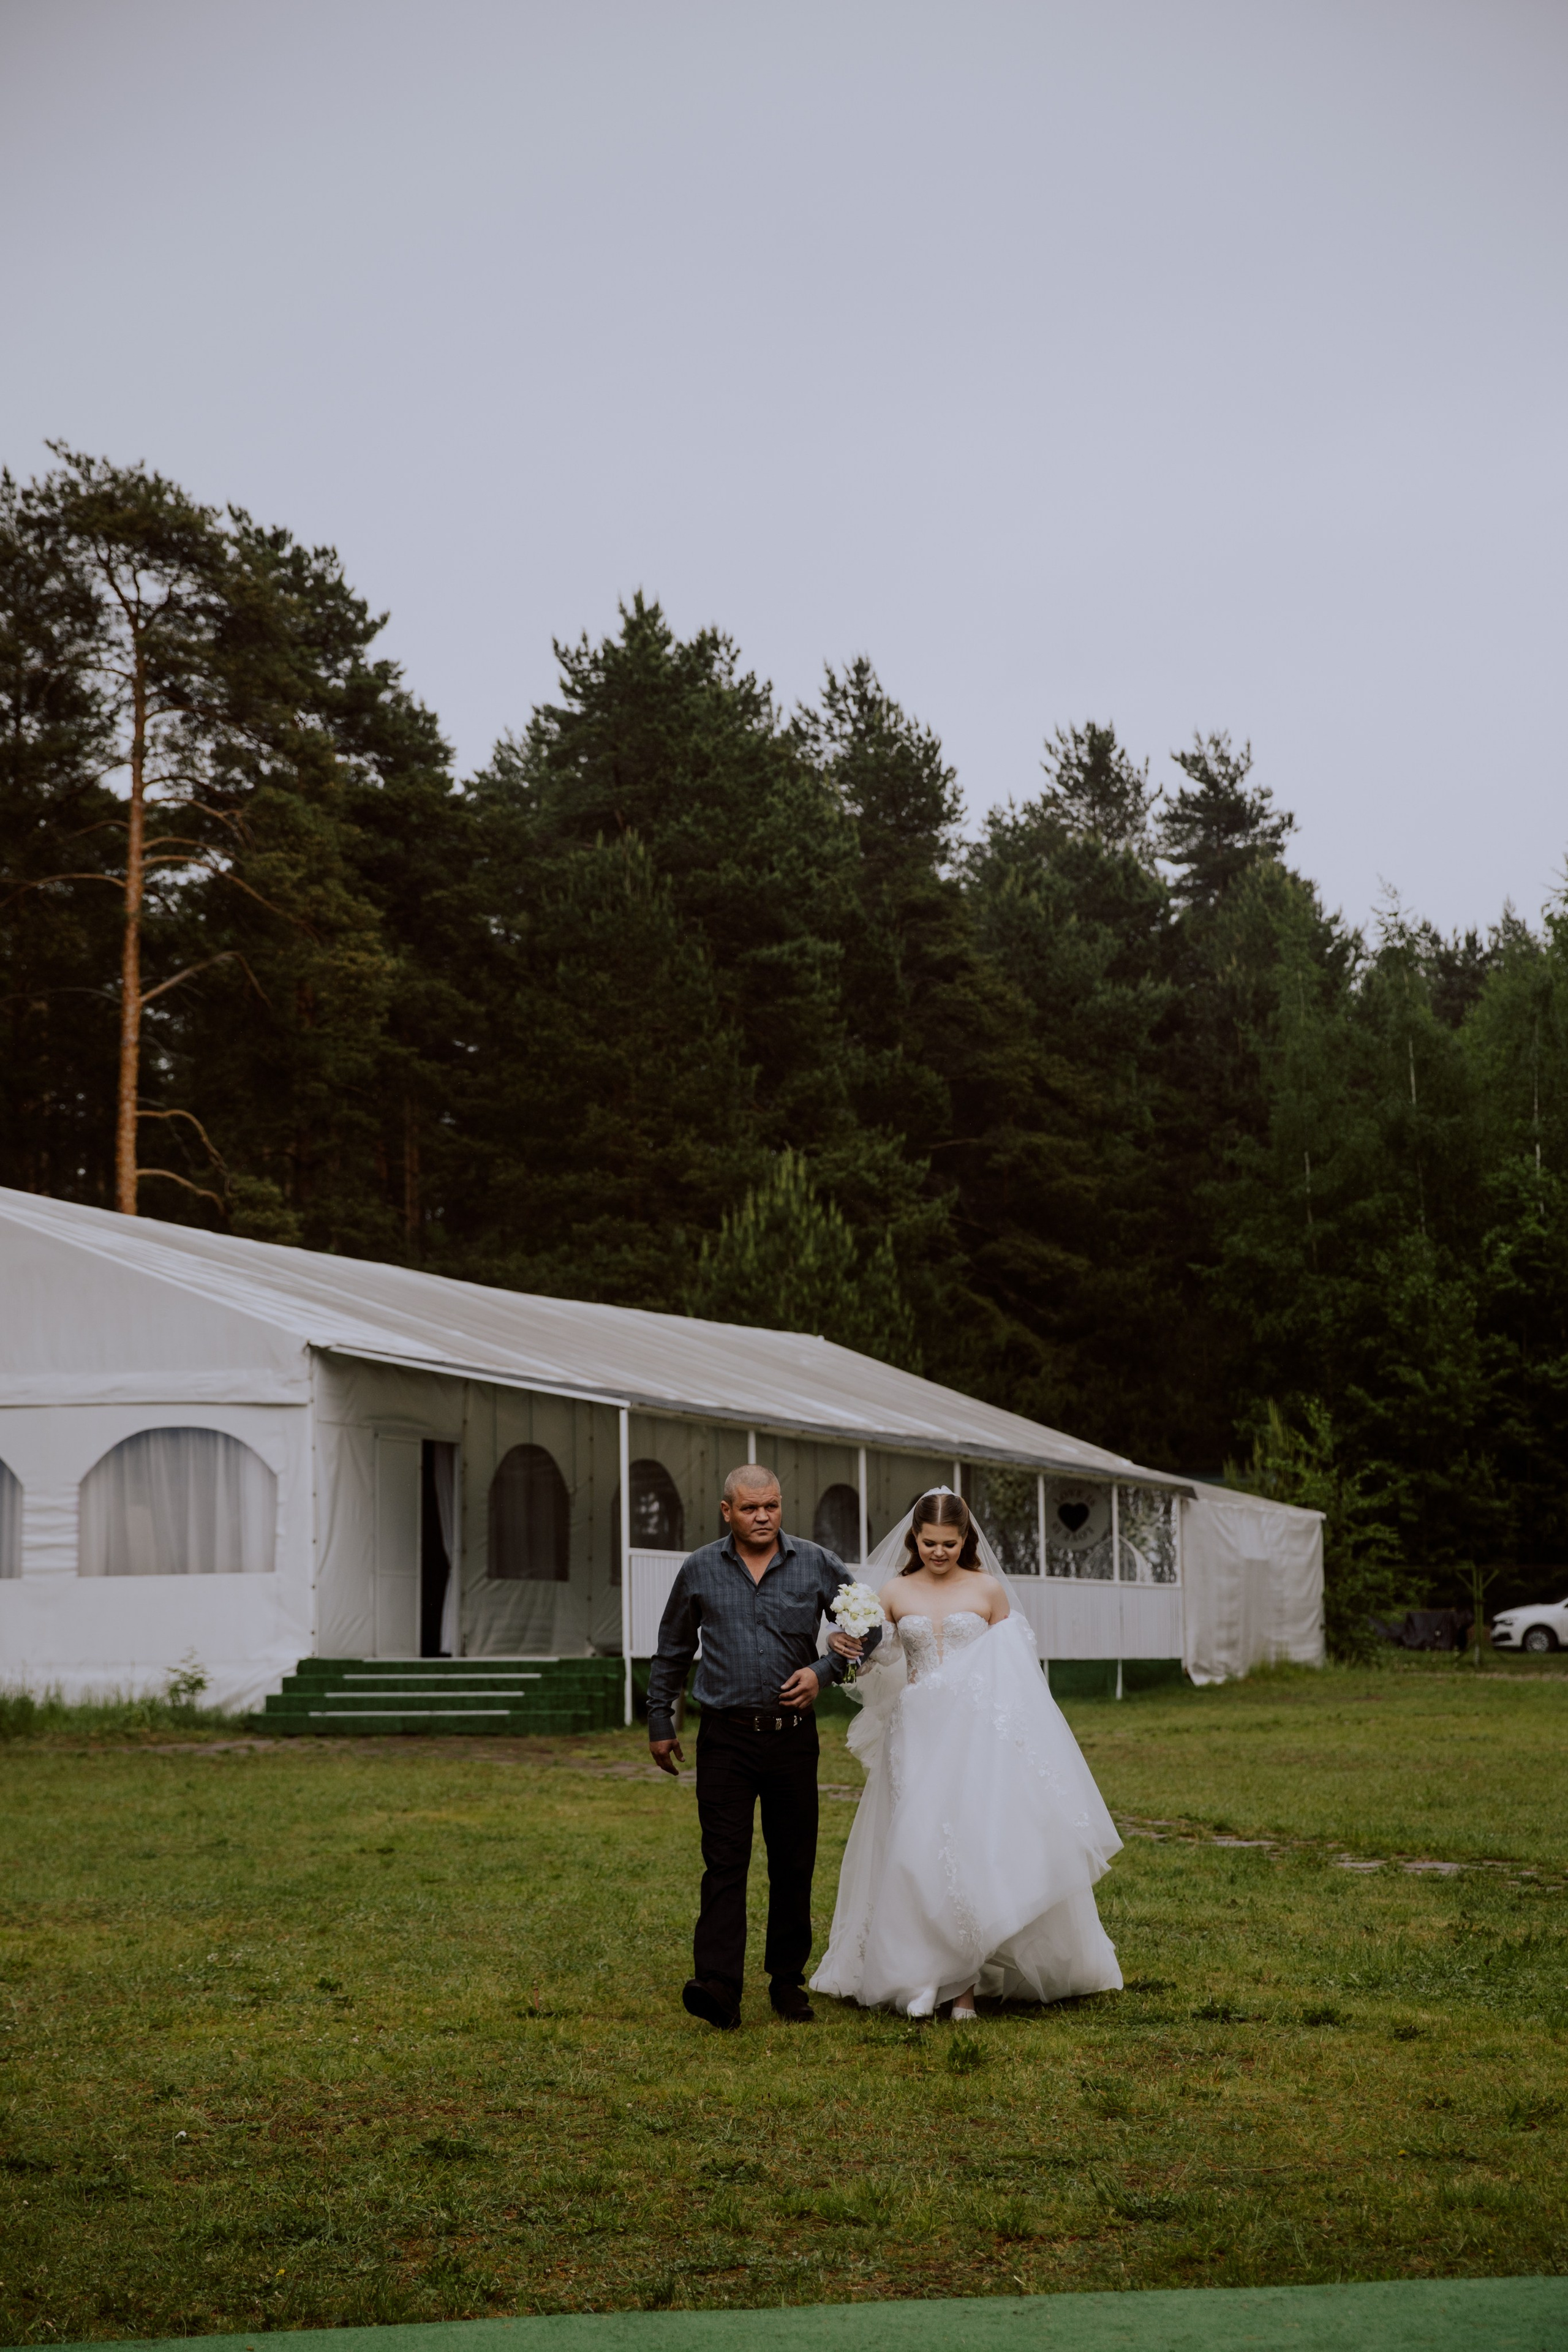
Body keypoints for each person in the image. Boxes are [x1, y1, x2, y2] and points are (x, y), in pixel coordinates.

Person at [810, 1487, 1123, 2018]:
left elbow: (1019, 1673)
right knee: (916, 1852)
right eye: (929, 1542)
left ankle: (964, 1988)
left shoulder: (988, 1590)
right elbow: (873, 1662)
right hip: (916, 1733)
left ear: (965, 1539)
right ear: (915, 1539)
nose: (938, 1552)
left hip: (975, 1737)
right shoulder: (893, 1590)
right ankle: (924, 1975)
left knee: (969, 1852)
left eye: (949, 1543)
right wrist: (849, 1649)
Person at [647, 1462, 865, 2031]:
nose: (763, 1516)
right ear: (727, 1512)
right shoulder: (699, 1569)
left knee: (793, 1862)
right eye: (750, 1508)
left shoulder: (816, 1563)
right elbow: (671, 1648)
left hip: (792, 1740)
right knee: (724, 1862)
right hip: (724, 1738)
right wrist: (659, 1720)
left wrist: (826, 1669)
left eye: (771, 1505)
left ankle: (787, 1983)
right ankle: (718, 1985)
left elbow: (868, 1628)